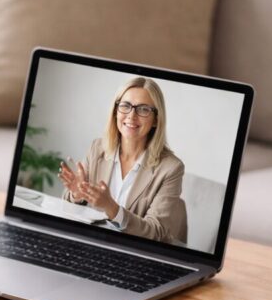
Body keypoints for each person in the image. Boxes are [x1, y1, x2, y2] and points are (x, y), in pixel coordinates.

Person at [59, 77, 187, 244]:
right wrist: (76, 195)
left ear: (156, 119)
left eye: (143, 109)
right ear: (116, 111)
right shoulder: (97, 148)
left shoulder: (171, 168)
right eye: (125, 106)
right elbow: (71, 210)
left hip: (137, 254)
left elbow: (156, 231)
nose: (131, 116)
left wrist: (111, 208)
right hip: (92, 244)